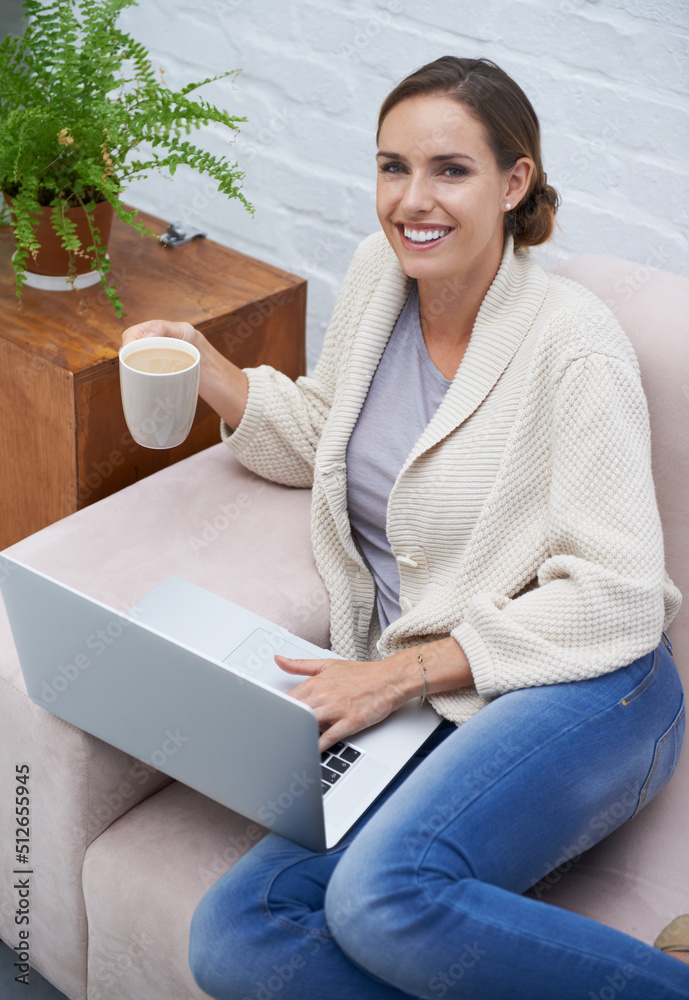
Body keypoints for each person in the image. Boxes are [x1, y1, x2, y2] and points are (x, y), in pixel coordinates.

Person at [122, 56, 689, 1000]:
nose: (411, 200)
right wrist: (211, 368)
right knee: (236, 936)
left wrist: (396, 674)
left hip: (592, 687)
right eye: (392, 167)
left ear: (515, 183)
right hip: (431, 700)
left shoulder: (573, 345)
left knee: (381, 898)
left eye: (449, 170)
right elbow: (332, 441)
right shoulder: (380, 281)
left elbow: (621, 597)